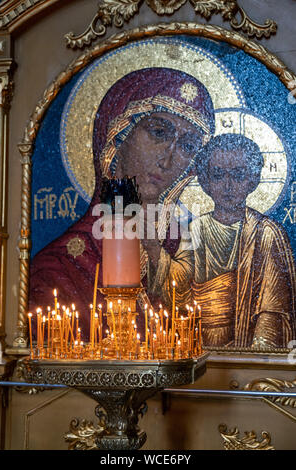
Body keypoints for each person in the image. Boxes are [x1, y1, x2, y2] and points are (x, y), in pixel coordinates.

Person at [29, 67, 215, 340]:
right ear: (118, 134)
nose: (168, 159)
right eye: (159, 132)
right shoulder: (60, 267)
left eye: (187, 146)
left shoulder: (183, 250)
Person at [159, 133, 296, 349]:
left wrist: (256, 358)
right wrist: (151, 250)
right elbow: (177, 287)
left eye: (238, 175)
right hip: (200, 345)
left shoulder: (266, 233)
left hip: (249, 351)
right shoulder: (196, 229)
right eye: (218, 175)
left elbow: (272, 307)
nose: (228, 185)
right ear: (205, 181)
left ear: (253, 179)